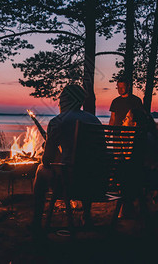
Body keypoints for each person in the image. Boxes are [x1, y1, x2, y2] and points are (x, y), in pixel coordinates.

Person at [31, 84, 101, 233]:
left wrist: (51, 150)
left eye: (62, 99)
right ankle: (86, 217)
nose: (59, 103)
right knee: (86, 167)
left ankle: (36, 221)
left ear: (70, 100)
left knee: (40, 170)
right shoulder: (94, 120)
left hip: (71, 184)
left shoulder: (59, 121)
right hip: (96, 183)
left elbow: (46, 160)